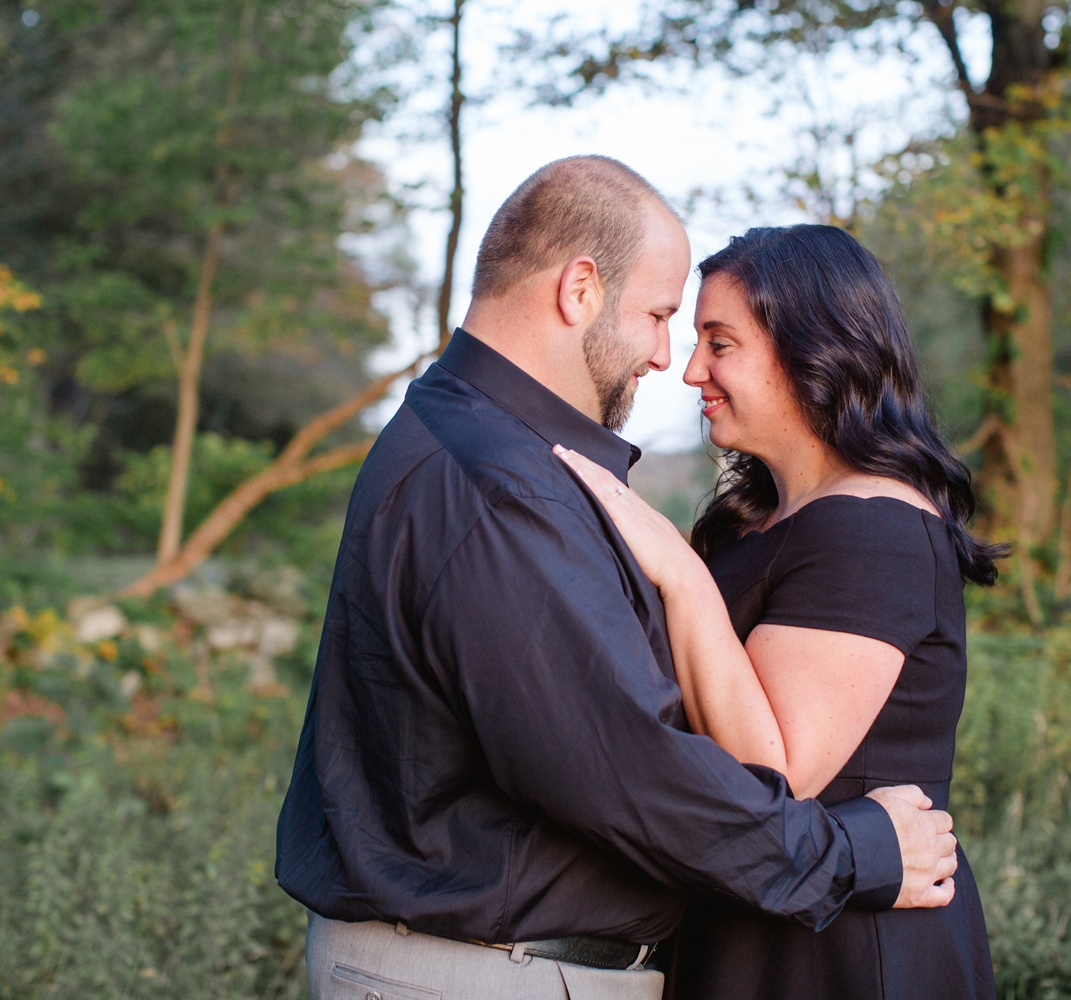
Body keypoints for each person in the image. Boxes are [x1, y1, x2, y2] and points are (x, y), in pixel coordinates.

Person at [274, 158, 961, 1000]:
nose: (672, 360)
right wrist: (856, 854)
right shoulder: (499, 483)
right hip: (486, 973)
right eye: (664, 318)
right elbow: (625, 767)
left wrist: (681, 572)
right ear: (580, 291)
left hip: (695, 960)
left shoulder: (487, 453)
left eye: (713, 338)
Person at [556, 224, 1001, 998]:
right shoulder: (746, 526)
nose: (692, 370)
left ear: (814, 348)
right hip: (745, 926)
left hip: (844, 956)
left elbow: (776, 774)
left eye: (719, 343)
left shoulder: (875, 529)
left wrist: (679, 576)